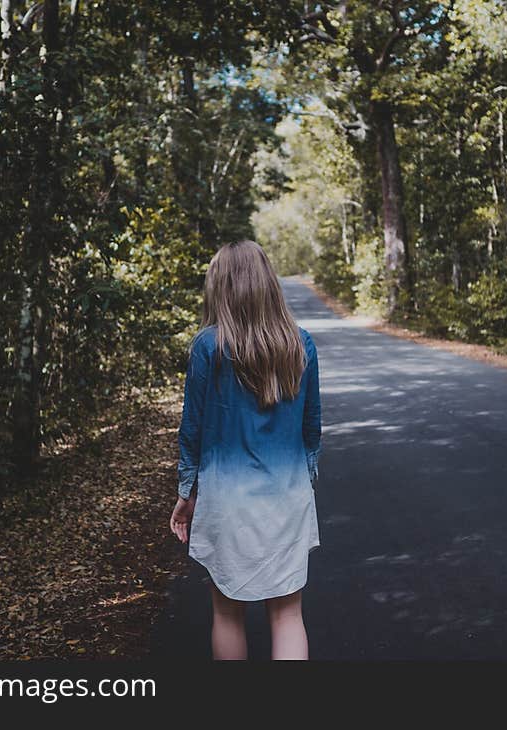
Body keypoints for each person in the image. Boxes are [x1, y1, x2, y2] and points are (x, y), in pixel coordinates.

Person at [169, 240, 322, 661]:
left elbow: (192, 431)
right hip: (287, 496)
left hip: (226, 500)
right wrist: (302, 483)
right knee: (288, 615)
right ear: (269, 284)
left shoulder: (208, 347)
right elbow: (312, 431)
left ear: (220, 287)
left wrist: (187, 494)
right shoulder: (300, 344)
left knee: (227, 614)